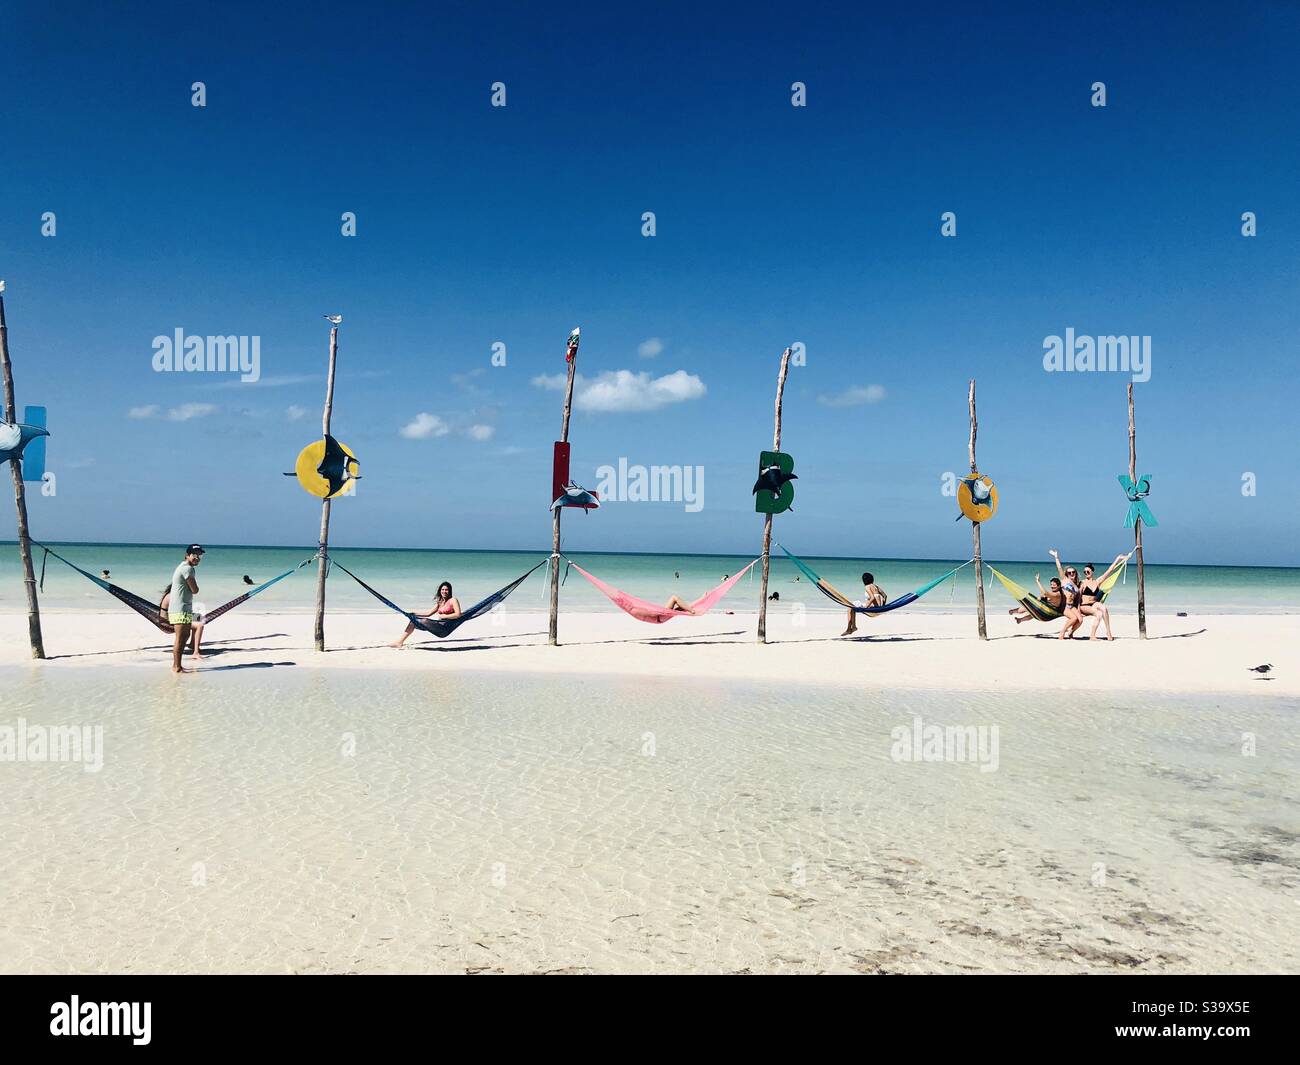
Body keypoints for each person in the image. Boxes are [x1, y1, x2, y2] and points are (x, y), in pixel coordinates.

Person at [391, 580, 462, 647]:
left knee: (424, 621)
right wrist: (414, 613)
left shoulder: (453, 600)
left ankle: (399, 642)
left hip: (444, 629)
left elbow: (458, 614)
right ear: (440, 591)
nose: (444, 591)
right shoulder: (440, 602)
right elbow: (428, 613)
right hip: (437, 626)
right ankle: (400, 642)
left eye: (446, 590)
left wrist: (445, 616)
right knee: (413, 621)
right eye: (442, 590)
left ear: (450, 591)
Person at [168, 545, 204, 673]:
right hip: (180, 608)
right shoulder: (187, 569)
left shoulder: (183, 566)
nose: (197, 558)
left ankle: (178, 665)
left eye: (199, 555)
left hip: (183, 608)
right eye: (194, 555)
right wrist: (195, 589)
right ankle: (176, 666)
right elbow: (195, 590)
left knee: (185, 636)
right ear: (187, 555)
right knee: (181, 638)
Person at [1078, 554, 1128, 641]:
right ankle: (1092, 636)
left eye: (1088, 571)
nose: (1086, 573)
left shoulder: (1097, 581)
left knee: (1104, 608)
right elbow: (1078, 597)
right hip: (1084, 605)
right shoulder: (1082, 583)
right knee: (1099, 614)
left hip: (1093, 604)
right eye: (1084, 572)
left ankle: (1108, 631)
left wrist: (1118, 558)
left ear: (1092, 572)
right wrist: (1078, 609)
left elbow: (1110, 570)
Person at [1048, 550, 1085, 639]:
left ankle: (1071, 632)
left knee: (1080, 620)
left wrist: (1079, 609)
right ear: (1067, 574)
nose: (1071, 574)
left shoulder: (1077, 585)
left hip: (1072, 606)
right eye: (1069, 572)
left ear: (1075, 573)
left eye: (1073, 572)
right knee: (1073, 619)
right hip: (1064, 606)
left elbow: (1078, 600)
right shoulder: (1065, 580)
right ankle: (1062, 632)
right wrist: (1056, 557)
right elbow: (1059, 568)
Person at [841, 572, 887, 636]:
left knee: (850, 607)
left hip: (872, 607)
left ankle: (850, 628)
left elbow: (872, 598)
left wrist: (866, 607)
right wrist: (883, 606)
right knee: (853, 608)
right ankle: (853, 627)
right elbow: (885, 596)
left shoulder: (867, 587)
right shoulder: (876, 586)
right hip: (878, 607)